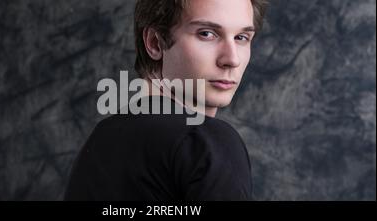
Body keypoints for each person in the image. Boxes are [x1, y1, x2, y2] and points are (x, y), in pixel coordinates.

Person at [65, 0, 268, 201]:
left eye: (242, 37)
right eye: (206, 34)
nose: (232, 59)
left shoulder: (103, 137)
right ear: (155, 42)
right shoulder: (205, 142)